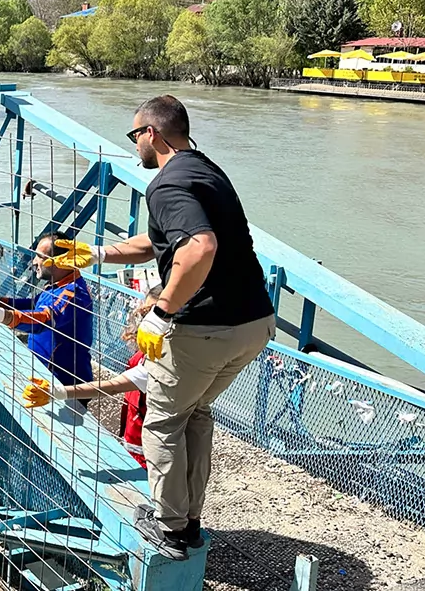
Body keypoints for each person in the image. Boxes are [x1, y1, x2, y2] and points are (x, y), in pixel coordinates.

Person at [47, 95, 276, 560]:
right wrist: (96, 253)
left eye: (135, 136)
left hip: (204, 327)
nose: (134, 146)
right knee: (195, 413)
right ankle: (189, 520)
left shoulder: (166, 184)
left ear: (152, 132)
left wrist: (163, 310)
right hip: (253, 323)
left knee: (164, 423)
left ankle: (170, 528)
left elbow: (198, 248)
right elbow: (158, 244)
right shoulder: (206, 170)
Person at [23, 285, 167, 470]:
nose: (144, 320)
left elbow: (112, 386)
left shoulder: (163, 361)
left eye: (152, 313)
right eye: (144, 312)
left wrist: (57, 392)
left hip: (150, 453)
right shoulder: (146, 353)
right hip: (135, 440)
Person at [0, 233, 94, 389]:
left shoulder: (73, 293)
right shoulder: (59, 284)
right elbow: (35, 304)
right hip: (44, 373)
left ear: (61, 261)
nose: (34, 262)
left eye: (40, 256)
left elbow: (44, 319)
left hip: (62, 383)